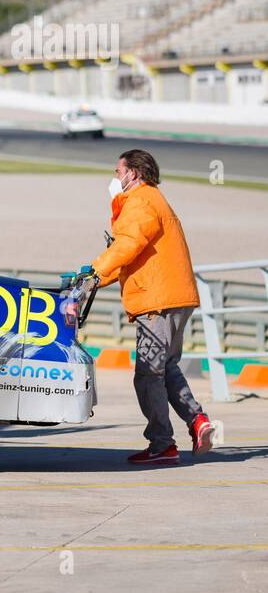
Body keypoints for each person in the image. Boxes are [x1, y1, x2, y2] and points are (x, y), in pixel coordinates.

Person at [89, 149, 215, 465]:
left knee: (147, 373)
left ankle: (162, 444)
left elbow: (128, 245)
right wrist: (96, 279)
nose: (114, 178)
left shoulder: (140, 201)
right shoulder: (152, 200)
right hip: (175, 296)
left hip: (157, 301)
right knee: (166, 367)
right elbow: (131, 255)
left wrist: (94, 271)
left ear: (133, 173)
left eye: (118, 171)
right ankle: (198, 421)